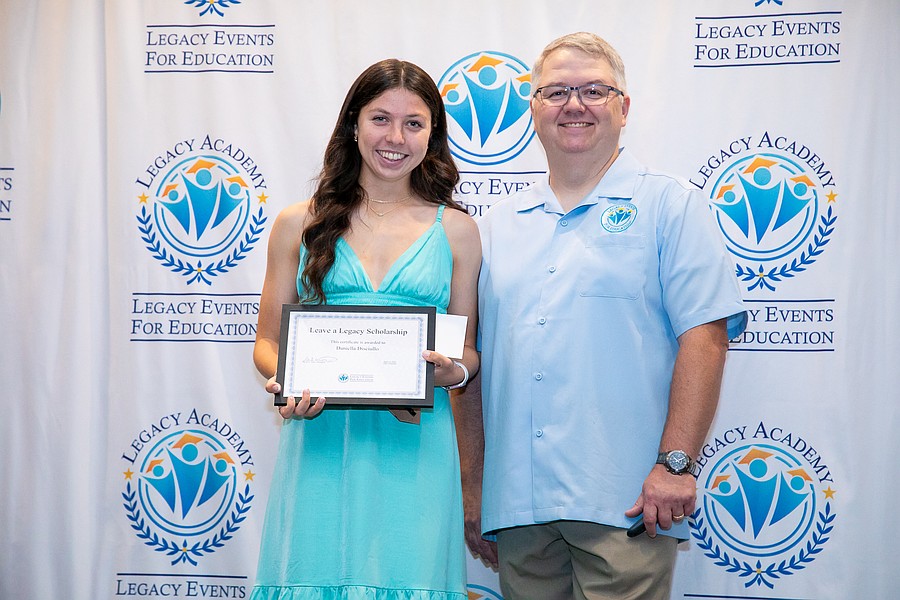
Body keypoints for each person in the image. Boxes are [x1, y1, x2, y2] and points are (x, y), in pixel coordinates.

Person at [458, 32, 748, 599]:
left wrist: (676, 465)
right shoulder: (493, 227)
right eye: (556, 92)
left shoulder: (669, 205)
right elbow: (470, 366)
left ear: (624, 107)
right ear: (533, 108)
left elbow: (706, 339)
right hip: (518, 507)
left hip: (629, 502)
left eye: (594, 90)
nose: (575, 105)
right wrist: (475, 486)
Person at [250, 58, 481, 599]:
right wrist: (286, 381)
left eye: (414, 123)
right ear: (353, 124)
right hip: (319, 440)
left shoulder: (457, 230)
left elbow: (467, 351)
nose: (395, 138)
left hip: (416, 446)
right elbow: (267, 343)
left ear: (433, 135)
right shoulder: (297, 222)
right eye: (381, 118)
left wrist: (450, 373)